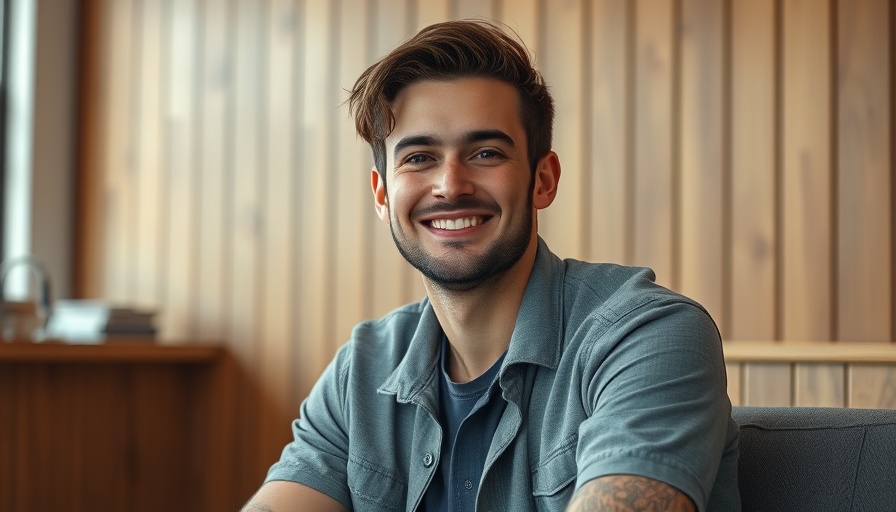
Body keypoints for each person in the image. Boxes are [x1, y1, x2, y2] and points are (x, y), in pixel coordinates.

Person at [242, 19, 740, 512]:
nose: (450, 185)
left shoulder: (648, 336)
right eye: (419, 158)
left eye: (485, 153)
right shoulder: (362, 370)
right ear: (382, 195)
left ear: (543, 180)